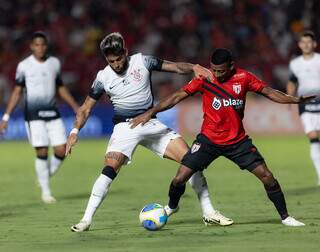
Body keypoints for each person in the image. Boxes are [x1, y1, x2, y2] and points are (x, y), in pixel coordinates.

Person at [66, 32, 233, 232]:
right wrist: (74, 131)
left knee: (191, 162)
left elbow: (175, 67)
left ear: (126, 52)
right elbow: (85, 108)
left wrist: (193, 67)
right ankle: (86, 220)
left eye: (119, 59)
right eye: (112, 61)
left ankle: (209, 213)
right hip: (124, 127)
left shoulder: (142, 61)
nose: (117, 64)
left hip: (150, 122)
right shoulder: (103, 77)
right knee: (110, 168)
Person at [130, 48, 314, 227]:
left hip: (238, 142)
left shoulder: (244, 78)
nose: (216, 75)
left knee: (267, 176)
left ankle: (285, 217)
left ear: (231, 66)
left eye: (221, 71)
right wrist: (152, 111)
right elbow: (177, 96)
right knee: (179, 178)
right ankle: (171, 207)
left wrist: (294, 99)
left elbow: (269, 92)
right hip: (208, 141)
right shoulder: (205, 78)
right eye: (214, 70)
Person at [0, 31, 79, 203]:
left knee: (61, 150)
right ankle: (46, 191)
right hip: (33, 116)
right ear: (31, 47)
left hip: (53, 113)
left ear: (46, 46)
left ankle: (44, 176)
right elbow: (17, 91)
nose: (40, 47)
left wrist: (75, 106)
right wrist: (6, 117)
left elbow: (60, 87)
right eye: (37, 44)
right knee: (42, 151)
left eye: (43, 44)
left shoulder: (54, 63)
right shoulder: (24, 66)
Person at [287, 30, 320, 185]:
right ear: (300, 45)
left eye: (309, 42)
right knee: (313, 137)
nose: (306, 45)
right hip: (305, 104)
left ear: (314, 44)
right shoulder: (295, 64)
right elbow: (292, 82)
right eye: (303, 42)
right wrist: (289, 99)